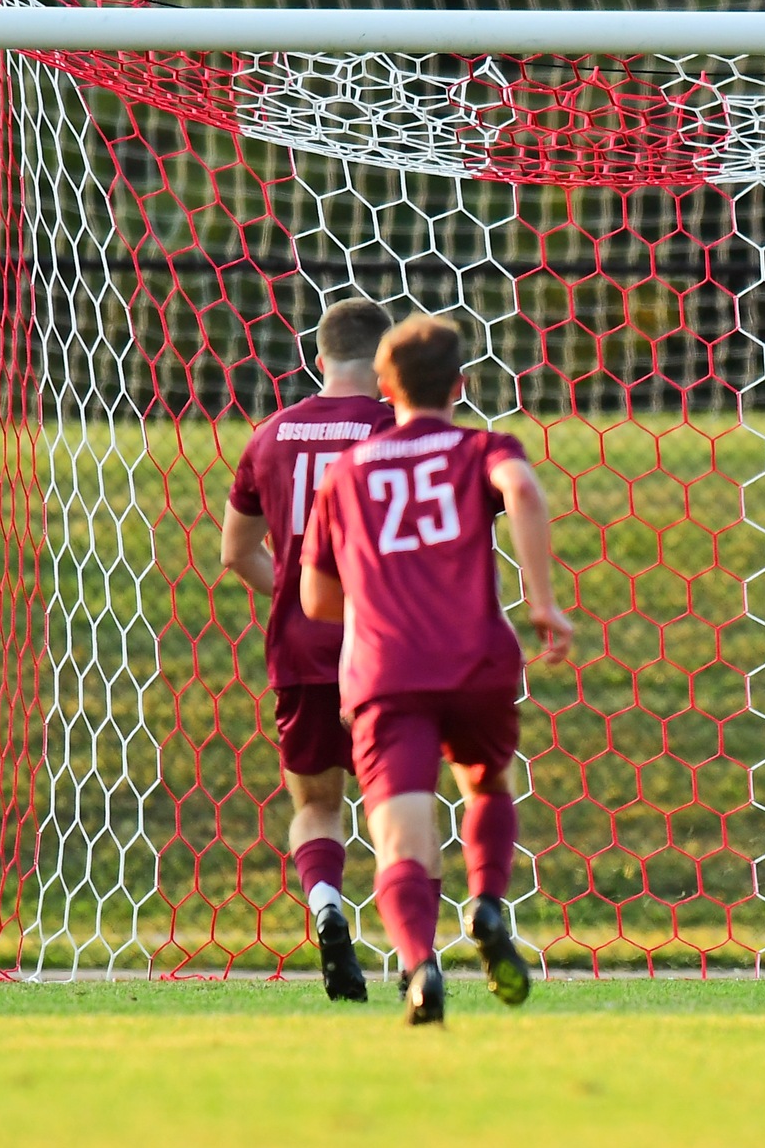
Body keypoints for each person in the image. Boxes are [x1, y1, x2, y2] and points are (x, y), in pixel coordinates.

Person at [301, 313, 573, 1024]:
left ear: (383, 385)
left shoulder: (345, 476)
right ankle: (485, 901)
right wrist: (542, 603)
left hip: (387, 671)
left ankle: (421, 966)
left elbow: (317, 599)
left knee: (400, 836)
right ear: (461, 384)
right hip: (477, 659)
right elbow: (522, 489)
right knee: (486, 783)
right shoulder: (483, 446)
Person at [222, 297, 396, 1001]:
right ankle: (414, 952)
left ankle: (327, 908)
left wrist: (299, 596)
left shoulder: (268, 436)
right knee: (398, 801)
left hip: (299, 646)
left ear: (318, 358)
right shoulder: (399, 426)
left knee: (318, 805)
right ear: (385, 364)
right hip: (390, 647)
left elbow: (235, 553)